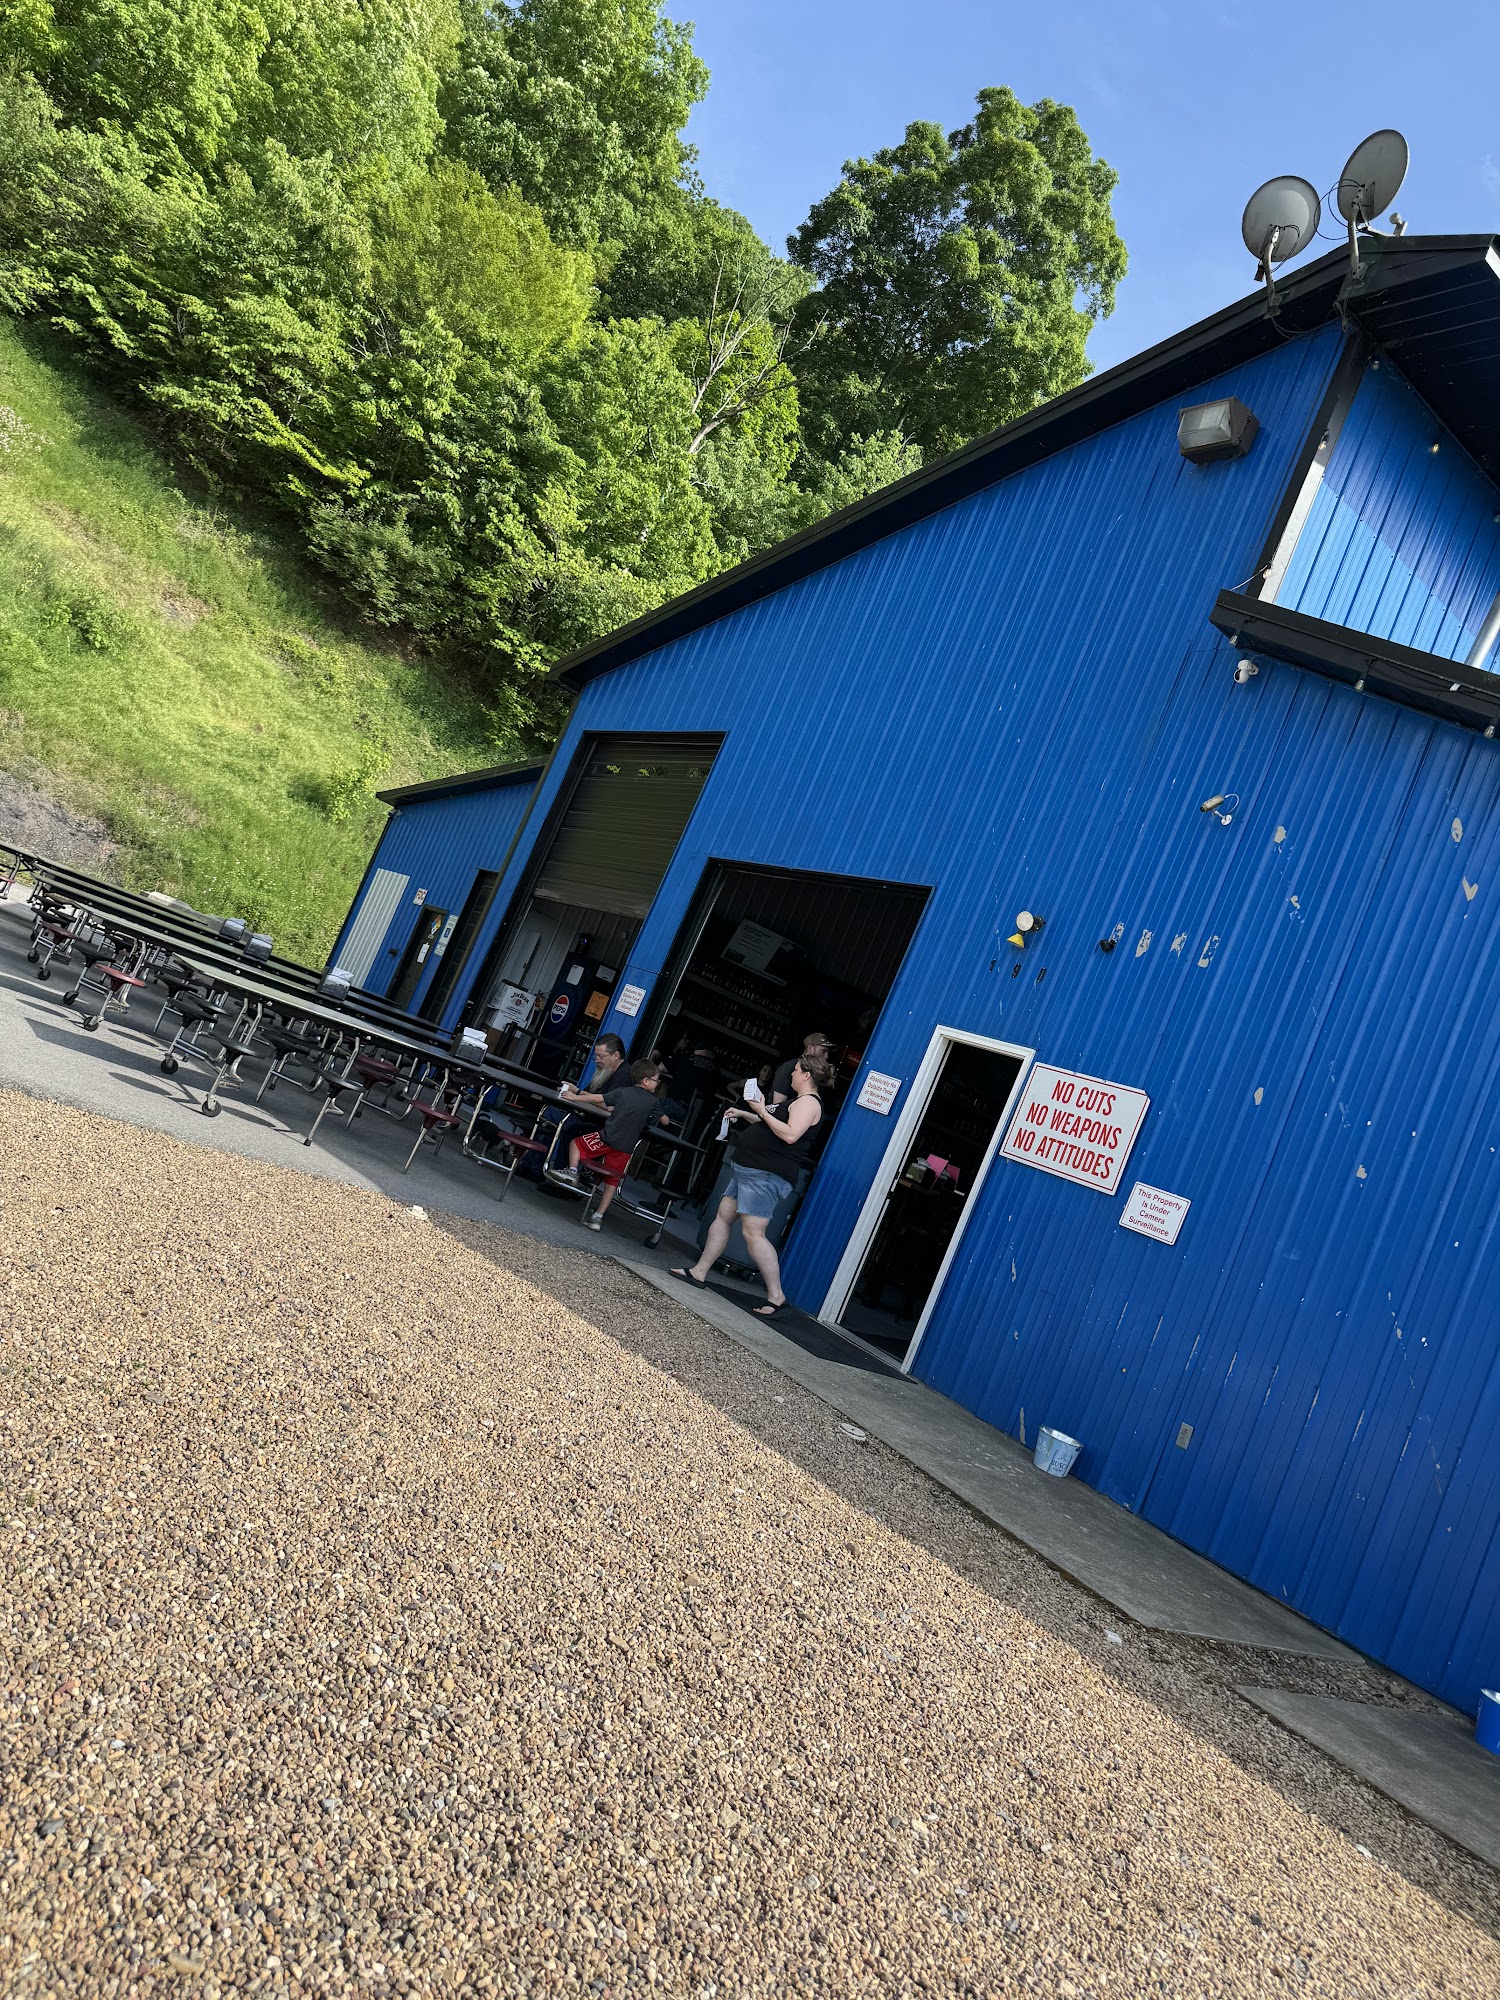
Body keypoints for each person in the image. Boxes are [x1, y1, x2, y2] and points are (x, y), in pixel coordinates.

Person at [671, 1053, 830, 1316]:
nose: (791, 1074)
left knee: (754, 1233)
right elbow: (771, 1124)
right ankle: (699, 1271)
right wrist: (746, 1113)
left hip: (765, 1174)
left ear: (806, 1075)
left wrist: (761, 1111)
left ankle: (776, 1296)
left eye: (795, 1070)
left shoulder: (808, 1103)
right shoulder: (796, 1101)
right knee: (723, 1216)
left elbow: (790, 1134)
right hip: (749, 1168)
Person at [553, 1059, 669, 1230]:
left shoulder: (622, 1092)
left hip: (606, 1138)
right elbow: (665, 1121)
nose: (657, 1084)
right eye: (656, 1080)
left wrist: (575, 1096)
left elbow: (598, 1098)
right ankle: (597, 1217)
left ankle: (572, 1171)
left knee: (575, 1143)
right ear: (646, 1081)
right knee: (612, 1182)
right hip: (625, 1148)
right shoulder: (653, 1102)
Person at [771, 1032, 832, 1106]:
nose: (826, 1056)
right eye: (823, 1051)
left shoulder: (819, 1074)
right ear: (810, 1049)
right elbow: (778, 1106)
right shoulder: (789, 1067)